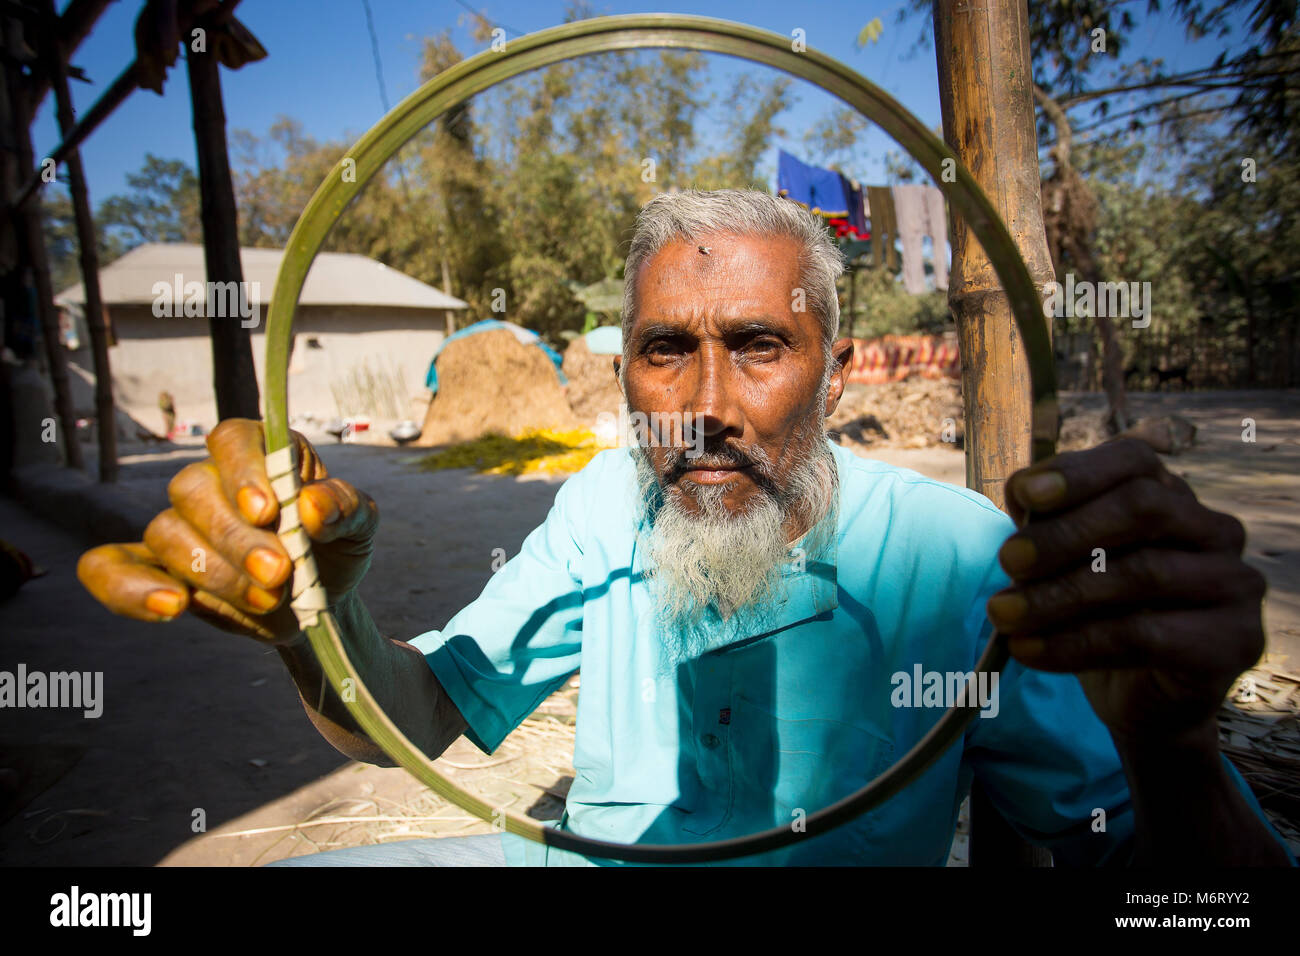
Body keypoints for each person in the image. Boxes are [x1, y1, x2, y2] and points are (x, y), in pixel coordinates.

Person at [78, 190, 1292, 867]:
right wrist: (316, 617)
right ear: (623, 374)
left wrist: (1173, 747)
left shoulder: (960, 558)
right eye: (666, 350)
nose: (706, 408)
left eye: (758, 345)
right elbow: (422, 714)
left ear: (834, 367)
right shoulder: (601, 502)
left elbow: (1188, 898)